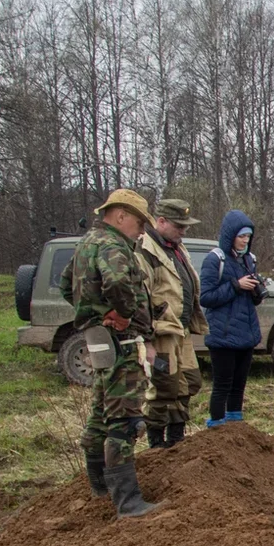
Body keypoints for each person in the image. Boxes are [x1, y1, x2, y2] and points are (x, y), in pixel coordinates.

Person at [60, 188, 161, 518]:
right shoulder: (112, 244)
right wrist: (124, 314)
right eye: (139, 222)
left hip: (98, 337)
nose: (142, 230)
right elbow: (118, 282)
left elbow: (65, 285)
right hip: (121, 341)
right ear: (120, 216)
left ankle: (100, 488)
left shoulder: (86, 244)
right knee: (125, 418)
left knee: (102, 410)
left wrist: (90, 312)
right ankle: (128, 503)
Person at [139, 199, 208, 448]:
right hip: (161, 332)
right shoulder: (145, 251)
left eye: (185, 226)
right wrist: (146, 338)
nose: (183, 231)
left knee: (188, 382)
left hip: (181, 330)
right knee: (162, 387)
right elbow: (141, 297)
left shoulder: (176, 248)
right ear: (161, 222)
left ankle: (177, 438)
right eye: (179, 226)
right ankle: (156, 443)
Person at [200, 210, 265, 429]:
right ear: (230, 236)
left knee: (239, 385)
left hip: (246, 332)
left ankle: (236, 425)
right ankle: (217, 426)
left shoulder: (249, 260)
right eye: (241, 237)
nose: (245, 241)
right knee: (223, 384)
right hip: (223, 334)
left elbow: (251, 301)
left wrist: (256, 290)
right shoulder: (214, 260)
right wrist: (236, 286)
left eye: (248, 237)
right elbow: (206, 297)